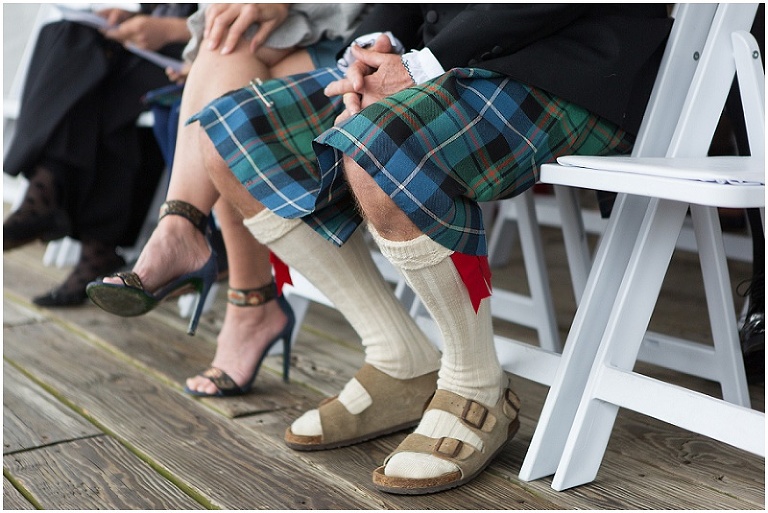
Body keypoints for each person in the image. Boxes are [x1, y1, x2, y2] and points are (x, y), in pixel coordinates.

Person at [91, 4, 673, 494]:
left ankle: (477, 387)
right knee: (230, 134)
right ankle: (401, 358)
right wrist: (381, 40)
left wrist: (425, 65)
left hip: (568, 62)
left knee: (379, 148)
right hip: (446, 55)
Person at [89, 3, 370, 397]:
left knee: (230, 89)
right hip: (278, 31)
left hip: (370, 36)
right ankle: (216, 270)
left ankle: (222, 274)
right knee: (228, 58)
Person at [3, 4, 197, 307]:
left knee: (102, 96)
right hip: (147, 41)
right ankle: (94, 243)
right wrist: (132, 18)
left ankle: (45, 194)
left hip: (194, 52)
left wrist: (171, 29)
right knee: (68, 36)